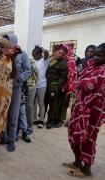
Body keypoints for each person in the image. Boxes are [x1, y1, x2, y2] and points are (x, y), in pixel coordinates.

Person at [64, 43, 105, 178]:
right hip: (80, 107)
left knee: (88, 138)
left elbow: (91, 85)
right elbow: (81, 80)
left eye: (100, 55)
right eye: (95, 54)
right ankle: (77, 162)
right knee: (74, 133)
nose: (95, 57)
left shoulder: (103, 70)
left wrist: (82, 83)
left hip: (93, 111)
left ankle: (87, 169)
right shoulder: (92, 66)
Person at [3, 34, 31, 152]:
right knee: (3, 114)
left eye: (7, 41)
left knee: (14, 115)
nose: (6, 44)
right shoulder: (2, 53)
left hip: (15, 89)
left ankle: (11, 140)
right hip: (3, 89)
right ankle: (3, 137)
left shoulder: (22, 54)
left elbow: (28, 71)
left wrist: (19, 79)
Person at [45, 45, 68, 129]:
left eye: (63, 54)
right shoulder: (49, 59)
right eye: (60, 52)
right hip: (45, 84)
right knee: (44, 102)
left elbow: (63, 77)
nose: (60, 55)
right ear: (56, 51)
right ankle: (41, 119)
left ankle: (50, 121)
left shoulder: (63, 63)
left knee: (52, 104)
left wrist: (56, 86)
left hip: (53, 86)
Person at [32, 46, 48, 128]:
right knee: (33, 103)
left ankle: (41, 120)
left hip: (41, 85)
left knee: (40, 102)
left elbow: (47, 53)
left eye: (34, 55)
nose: (33, 56)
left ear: (39, 54)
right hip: (34, 84)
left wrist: (42, 49)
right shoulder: (35, 62)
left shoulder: (44, 60)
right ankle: (34, 118)